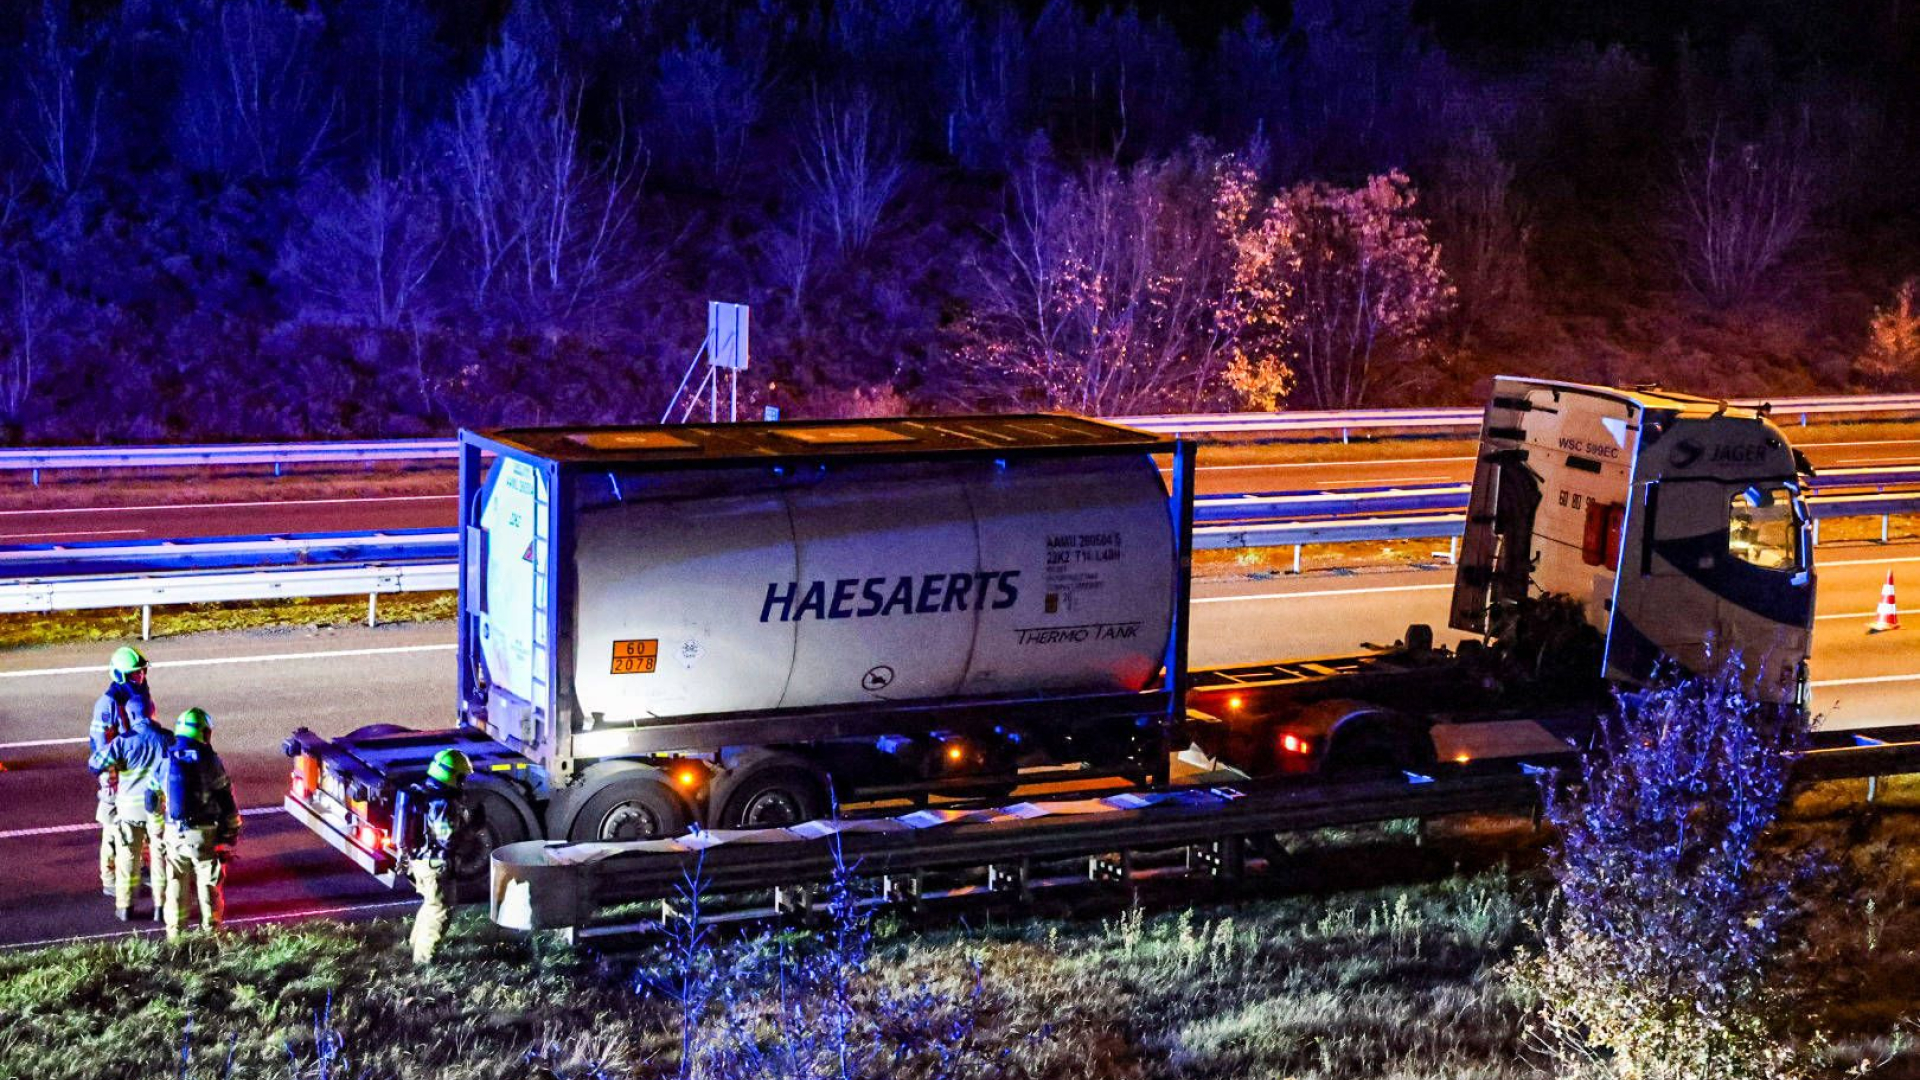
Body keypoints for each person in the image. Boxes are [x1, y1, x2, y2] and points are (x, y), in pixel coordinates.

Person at [153, 708, 240, 940]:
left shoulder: (166, 757)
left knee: (175, 884)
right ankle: (212, 935)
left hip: (173, 833)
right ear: (204, 732)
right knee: (209, 882)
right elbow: (225, 797)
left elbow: (153, 797)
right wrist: (232, 830)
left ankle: (175, 937)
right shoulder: (209, 760)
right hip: (202, 835)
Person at [88, 702, 173, 922]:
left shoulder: (123, 741)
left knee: (127, 858)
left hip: (128, 809)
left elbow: (95, 762)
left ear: (131, 715)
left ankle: (125, 907)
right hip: (156, 807)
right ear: (152, 713)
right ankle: (161, 907)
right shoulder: (166, 738)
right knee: (159, 856)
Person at [88, 647, 154, 899]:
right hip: (117, 773)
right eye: (135, 673)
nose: (141, 676)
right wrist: (109, 778)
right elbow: (100, 746)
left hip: (136, 773)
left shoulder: (140, 694)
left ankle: (141, 867)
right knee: (114, 827)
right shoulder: (107, 704)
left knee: (141, 824)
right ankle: (111, 878)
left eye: (142, 672)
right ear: (120, 676)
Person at [404, 748, 482, 964]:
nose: (463, 781)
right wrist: (472, 828)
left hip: (420, 861)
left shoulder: (424, 791)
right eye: (461, 777)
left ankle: (415, 946)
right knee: (440, 911)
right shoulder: (442, 803)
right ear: (451, 775)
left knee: (430, 904)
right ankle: (423, 961)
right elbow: (448, 839)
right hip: (435, 864)